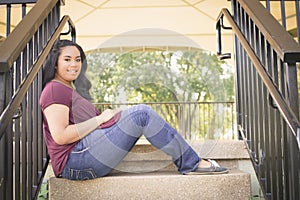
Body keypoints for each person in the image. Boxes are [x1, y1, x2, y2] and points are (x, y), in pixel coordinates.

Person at [39, 39, 228, 180]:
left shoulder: (66, 89)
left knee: (138, 114)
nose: (74, 64)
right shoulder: (55, 90)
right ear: (56, 62)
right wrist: (100, 119)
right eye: (67, 59)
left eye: (78, 59)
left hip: (85, 155)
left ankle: (191, 161)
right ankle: (192, 163)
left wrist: (112, 119)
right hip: (75, 162)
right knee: (141, 114)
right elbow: (61, 136)